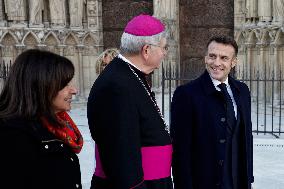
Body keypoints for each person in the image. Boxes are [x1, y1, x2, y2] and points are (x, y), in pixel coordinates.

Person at [87, 14, 173, 189]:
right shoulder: (116, 86)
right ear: (146, 50)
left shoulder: (130, 76)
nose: (165, 53)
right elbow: (121, 157)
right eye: (164, 48)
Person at [170, 35, 254, 189]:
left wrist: (248, 178)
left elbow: (246, 138)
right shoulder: (186, 94)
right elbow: (181, 151)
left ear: (233, 62)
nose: (217, 63)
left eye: (224, 58)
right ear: (205, 58)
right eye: (212, 56)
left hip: (238, 181)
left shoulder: (242, 91)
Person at [0, 49, 83, 189]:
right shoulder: (12, 137)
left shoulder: (55, 124)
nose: (74, 90)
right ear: (41, 86)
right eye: (65, 84)